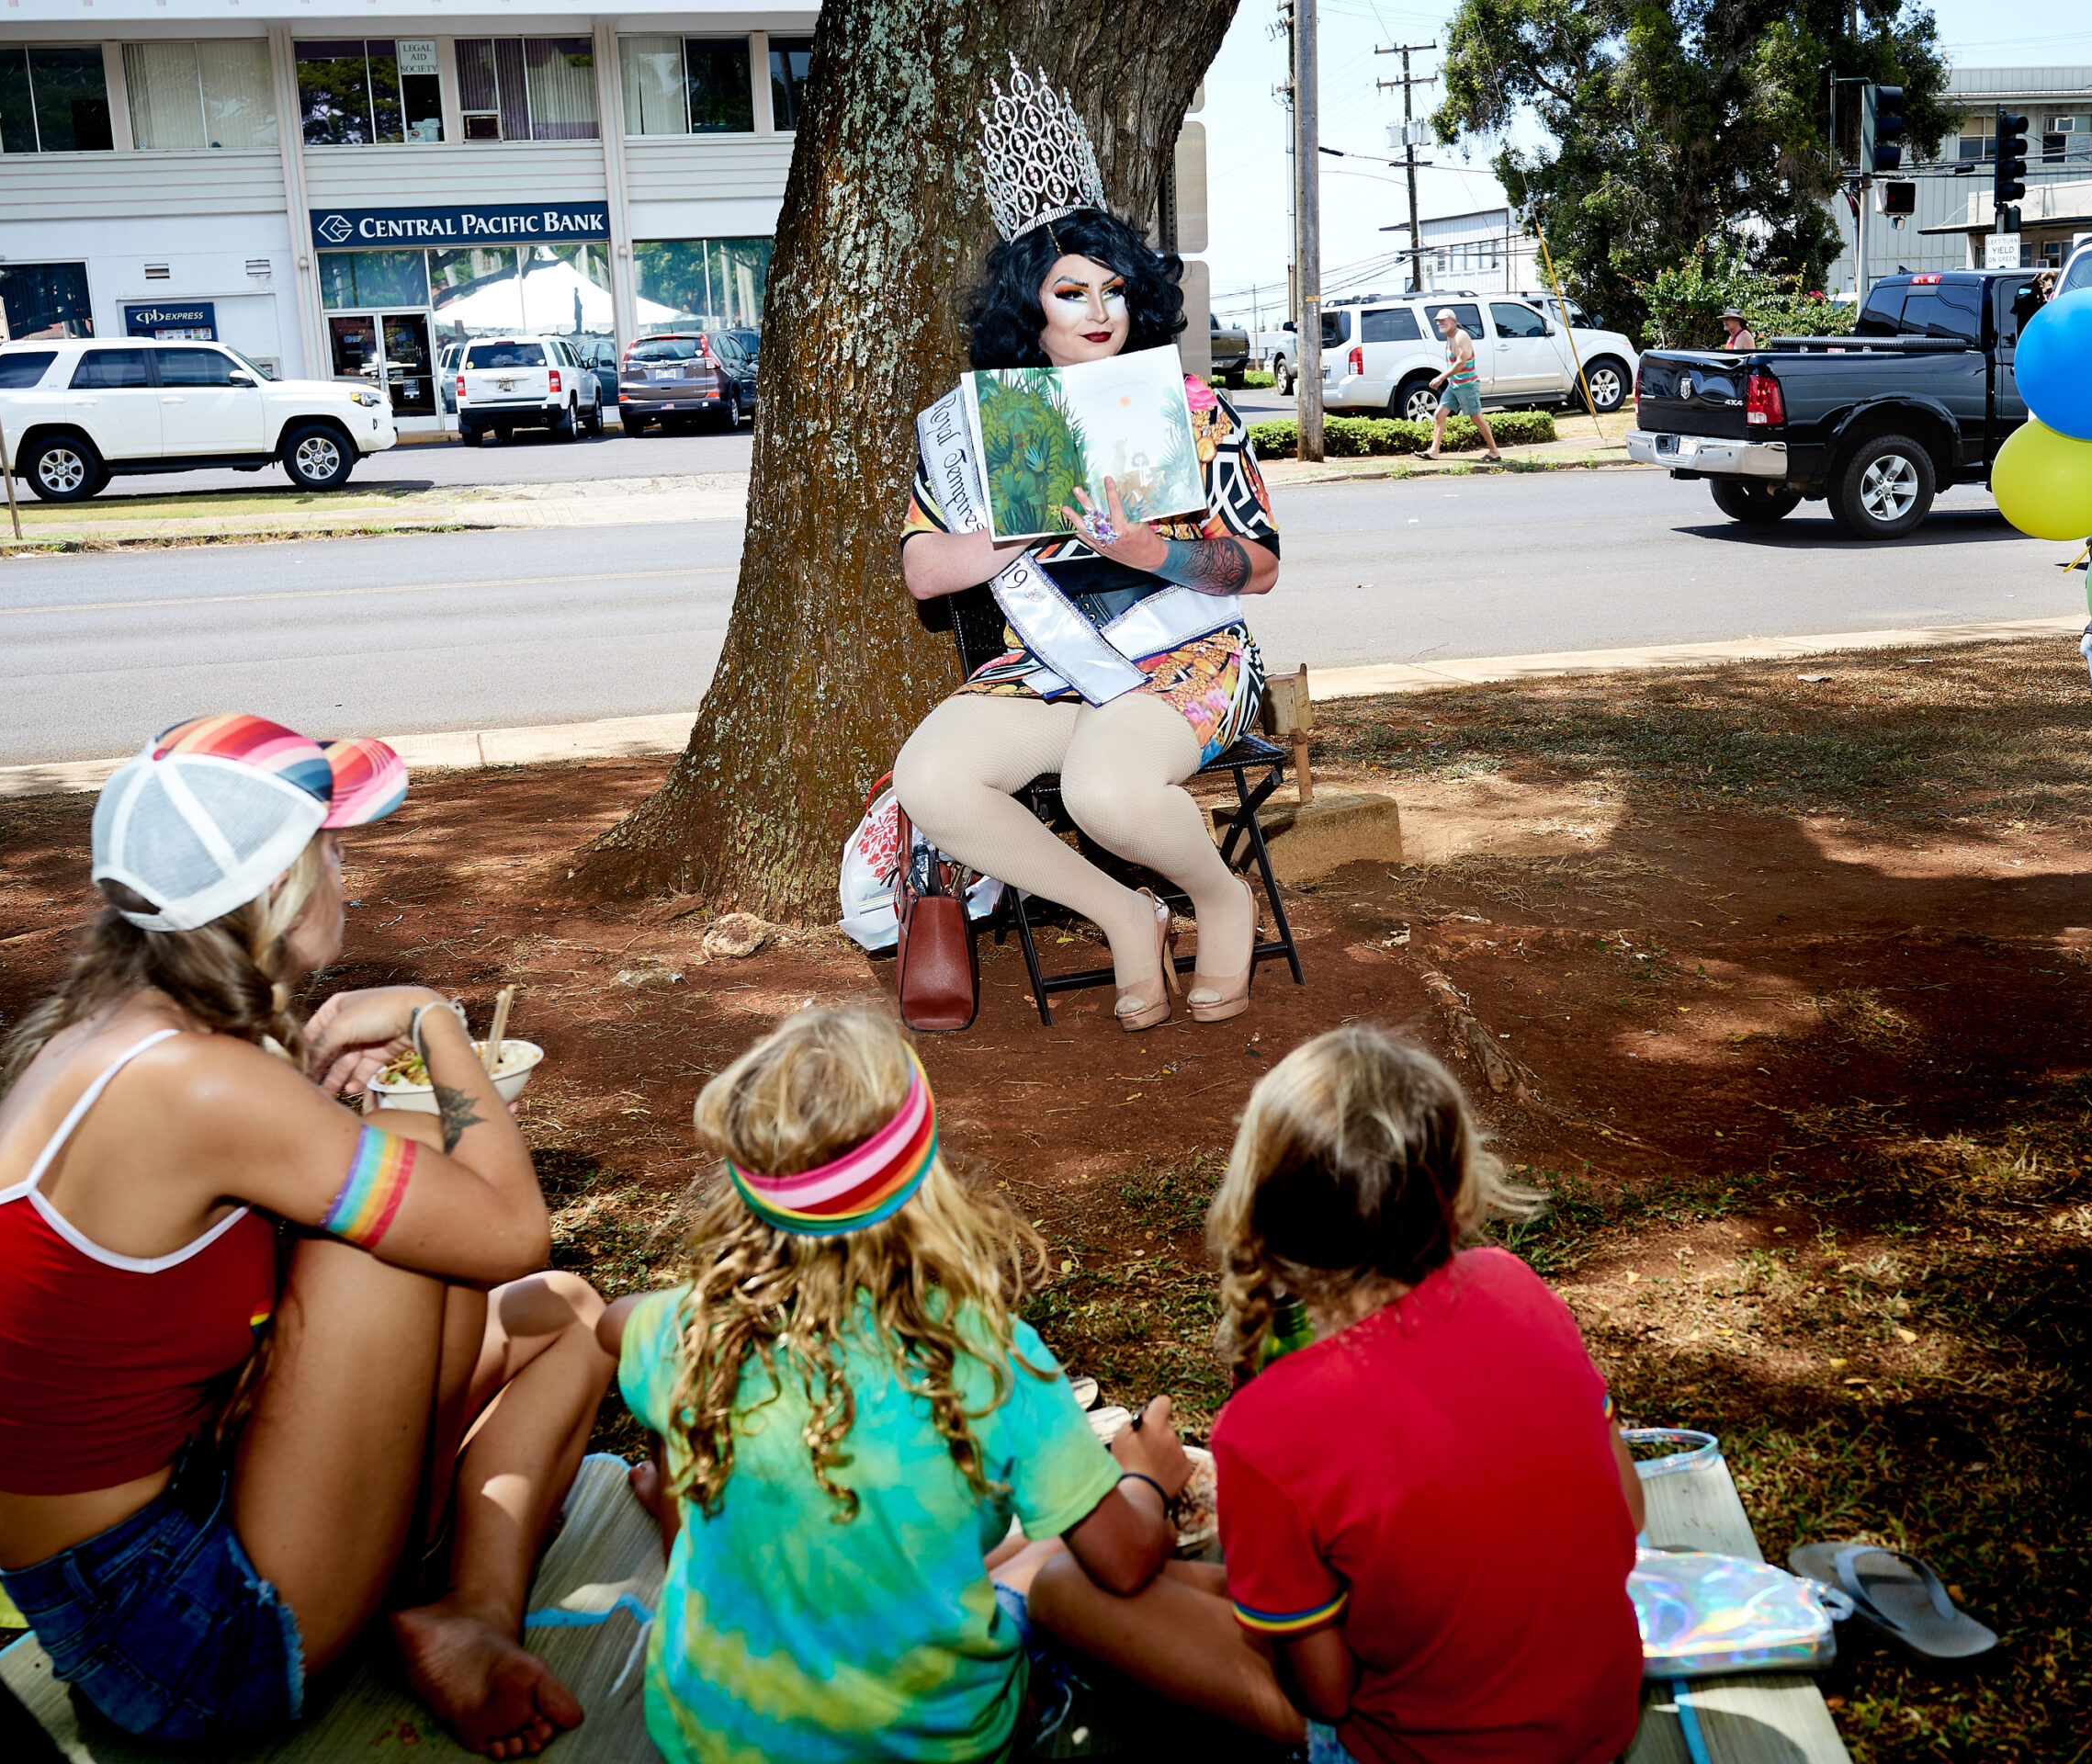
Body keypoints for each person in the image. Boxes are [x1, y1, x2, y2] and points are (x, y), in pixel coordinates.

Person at [0, 715, 611, 1758]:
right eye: (330, 851)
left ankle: (469, 1609)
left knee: (569, 1318)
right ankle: (438, 1593)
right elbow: (511, 1232)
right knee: (409, 1176)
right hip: (181, 1638)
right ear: (280, 887)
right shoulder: (199, 1081)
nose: (347, 876)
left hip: (152, 1551)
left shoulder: (121, 1035)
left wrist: (317, 1099)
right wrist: (434, 1022)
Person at [1023, 1025, 1647, 1762]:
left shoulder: (1266, 1427)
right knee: (1204, 1587)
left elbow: (1326, 1694)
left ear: (1263, 1207)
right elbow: (1630, 1508)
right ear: (1453, 1180)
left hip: (1421, 1748)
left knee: (1063, 1586)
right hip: (1601, 1716)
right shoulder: (1516, 1285)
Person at [599, 1003, 1193, 1763]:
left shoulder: (686, 1331)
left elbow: (611, 1323)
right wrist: (1147, 1479)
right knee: (1049, 1556)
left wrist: (683, 1473)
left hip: (711, 1735)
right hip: (931, 1746)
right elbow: (1125, 1560)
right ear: (925, 1180)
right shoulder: (992, 1357)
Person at [893, 61, 1280, 1034]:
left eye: (1114, 291)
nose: (1100, 313)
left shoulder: (1190, 407)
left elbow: (1260, 565)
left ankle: (1222, 899)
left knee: (1102, 790)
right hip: (1048, 661)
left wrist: (1152, 552)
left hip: (1185, 655)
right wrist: (1026, 518)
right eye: (1071, 293)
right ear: (1031, 309)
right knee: (929, 778)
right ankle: (1123, 914)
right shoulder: (972, 430)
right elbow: (925, 573)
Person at [1421, 309, 1499, 463]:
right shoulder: (1450, 336)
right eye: (1438, 321)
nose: (1439, 323)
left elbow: (1461, 363)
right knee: (1439, 414)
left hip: (1467, 385)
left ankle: (1494, 452)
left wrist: (1441, 377)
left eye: (1443, 320)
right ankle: (1434, 451)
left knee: (1476, 417)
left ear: (1452, 321)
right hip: (1454, 384)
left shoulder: (1461, 336)